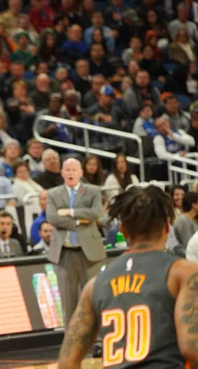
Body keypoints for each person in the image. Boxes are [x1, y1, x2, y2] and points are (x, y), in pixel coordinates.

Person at [58, 186, 198, 368]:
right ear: (167, 226)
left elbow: (66, 362)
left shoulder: (95, 285)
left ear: (123, 230)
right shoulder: (184, 273)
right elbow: (192, 348)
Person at [46, 158, 106, 327]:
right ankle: (70, 342)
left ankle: (98, 342)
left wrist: (69, 212)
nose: (70, 173)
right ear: (62, 173)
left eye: (74, 170)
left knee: (93, 298)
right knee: (68, 302)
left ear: (81, 172)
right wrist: (79, 222)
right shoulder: (53, 194)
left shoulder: (93, 190)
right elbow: (52, 218)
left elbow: (96, 213)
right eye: (67, 169)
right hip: (64, 253)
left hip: (90, 254)